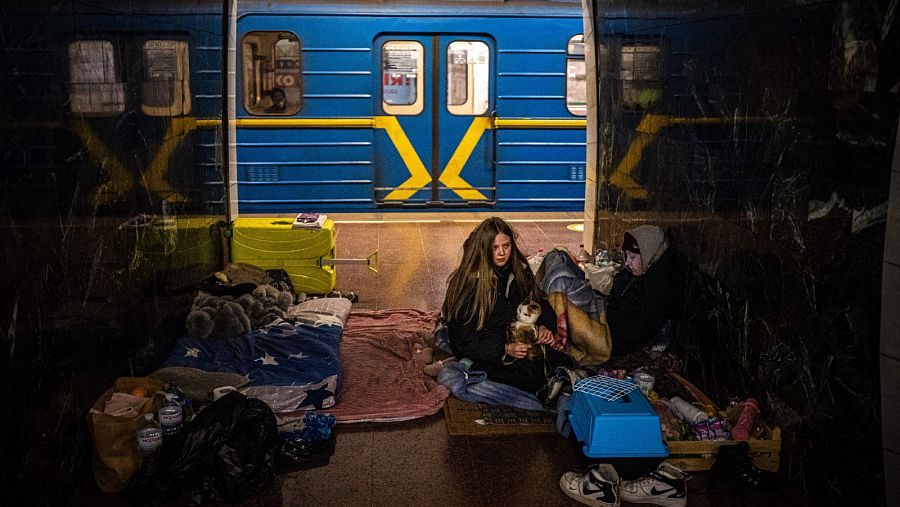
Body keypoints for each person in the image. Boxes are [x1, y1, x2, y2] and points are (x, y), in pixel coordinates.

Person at [442, 217, 573, 394]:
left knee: (567, 364)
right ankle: (468, 366)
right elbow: (462, 338)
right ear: (484, 249)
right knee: (530, 379)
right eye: (494, 248)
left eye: (506, 246)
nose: (502, 253)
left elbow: (539, 303)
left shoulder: (519, 271)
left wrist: (544, 326)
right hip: (486, 348)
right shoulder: (469, 283)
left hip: (519, 341)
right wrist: (504, 349)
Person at [604, 224, 677, 357]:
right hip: (613, 328)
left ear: (647, 253)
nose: (627, 263)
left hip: (618, 340)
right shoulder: (640, 272)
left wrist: (607, 313)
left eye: (632, 257)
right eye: (626, 256)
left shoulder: (658, 286)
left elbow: (633, 332)